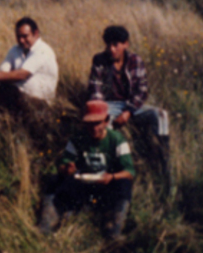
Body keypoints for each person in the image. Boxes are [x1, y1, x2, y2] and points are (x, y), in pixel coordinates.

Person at [39, 100, 135, 239]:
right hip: (83, 185)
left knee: (124, 184)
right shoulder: (77, 138)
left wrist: (111, 177)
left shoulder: (117, 140)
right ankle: (47, 223)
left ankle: (114, 228)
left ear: (106, 121)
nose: (94, 128)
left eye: (97, 123)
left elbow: (130, 172)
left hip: (106, 186)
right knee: (54, 180)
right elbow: (63, 164)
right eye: (89, 124)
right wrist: (67, 169)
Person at [88, 25, 170, 186]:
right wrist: (103, 114)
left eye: (116, 44)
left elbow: (142, 91)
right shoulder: (99, 60)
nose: (112, 49)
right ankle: (109, 172)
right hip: (109, 105)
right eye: (108, 45)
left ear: (125, 44)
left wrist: (128, 112)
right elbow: (95, 90)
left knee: (161, 115)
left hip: (131, 105)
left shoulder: (135, 60)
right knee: (103, 127)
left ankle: (163, 161)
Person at [0, 16, 58, 106]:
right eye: (18, 37)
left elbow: (22, 75)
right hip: (20, 94)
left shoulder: (43, 50)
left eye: (25, 36)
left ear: (36, 33)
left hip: (40, 101)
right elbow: (3, 71)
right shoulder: (15, 49)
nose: (21, 40)